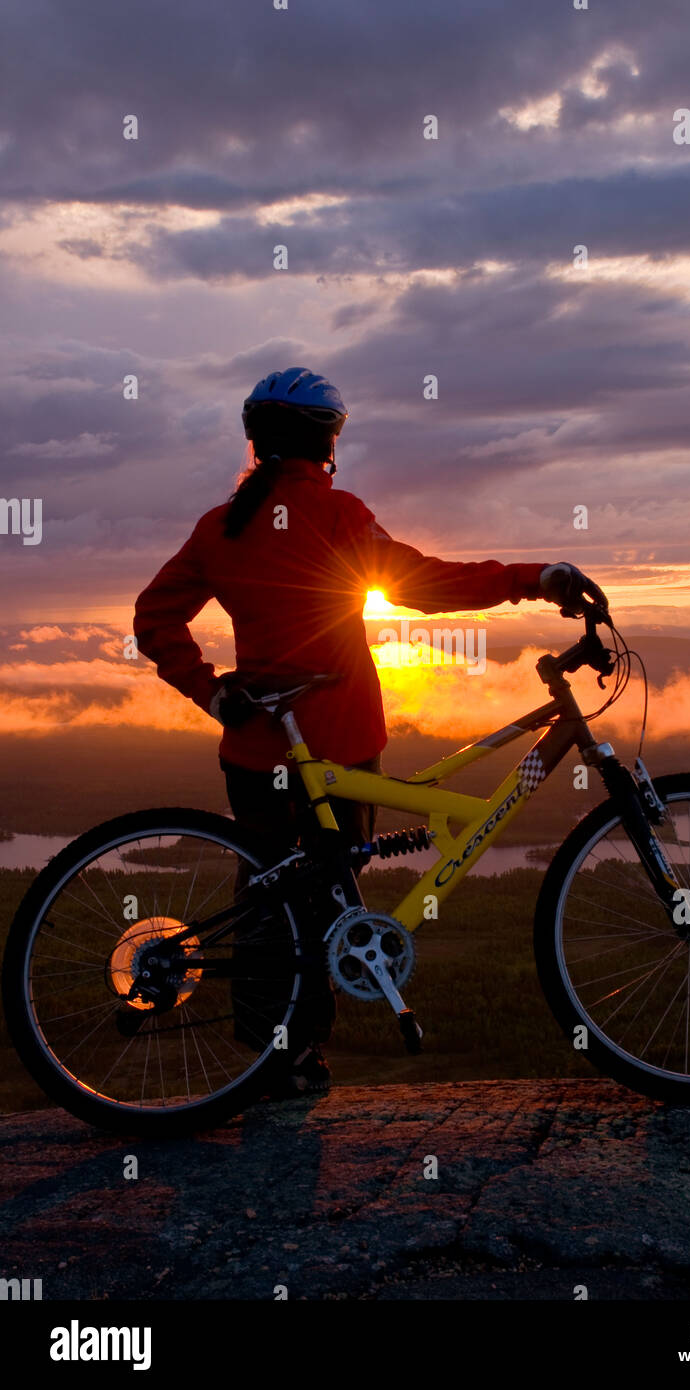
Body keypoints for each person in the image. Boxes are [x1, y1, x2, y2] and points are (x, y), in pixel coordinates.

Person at [133, 367, 608, 1097]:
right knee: (328, 905)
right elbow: (423, 583)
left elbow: (154, 618)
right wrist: (532, 578)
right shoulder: (339, 514)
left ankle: (274, 1060)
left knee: (270, 906)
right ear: (328, 443)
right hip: (342, 740)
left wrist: (210, 690)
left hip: (256, 749)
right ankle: (296, 1058)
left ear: (257, 442)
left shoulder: (220, 526)